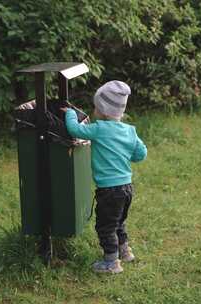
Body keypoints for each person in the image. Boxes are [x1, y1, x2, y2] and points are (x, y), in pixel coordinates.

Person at [62, 80, 147, 274]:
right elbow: (141, 154)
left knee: (105, 227)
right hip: (126, 188)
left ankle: (111, 262)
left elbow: (75, 130)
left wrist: (69, 114)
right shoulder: (129, 131)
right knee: (119, 222)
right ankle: (125, 252)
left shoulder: (99, 129)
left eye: (95, 107)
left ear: (102, 111)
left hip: (109, 190)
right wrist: (128, 154)